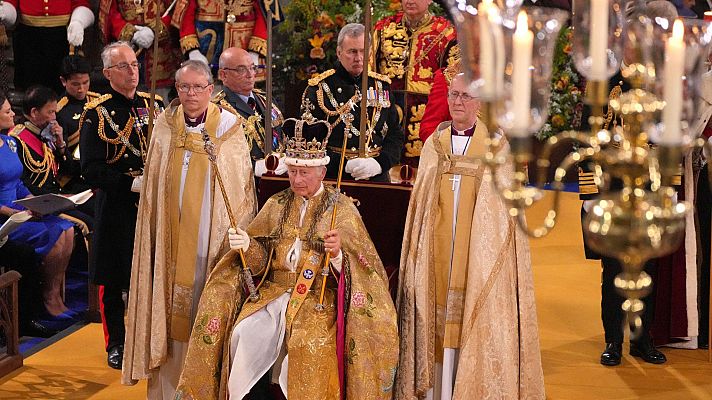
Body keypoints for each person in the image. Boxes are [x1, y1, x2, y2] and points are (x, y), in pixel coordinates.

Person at [175, 117, 398, 400]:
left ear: (322, 171)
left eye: (304, 173)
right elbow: (259, 265)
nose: (296, 180)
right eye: (292, 172)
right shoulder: (276, 204)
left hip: (318, 299)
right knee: (244, 334)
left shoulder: (341, 209)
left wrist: (339, 254)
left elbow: (366, 268)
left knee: (309, 344)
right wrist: (247, 246)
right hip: (272, 295)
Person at [396, 74, 544, 399]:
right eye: (453, 95)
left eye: (465, 96)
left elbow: (503, 213)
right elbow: (420, 205)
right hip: (437, 250)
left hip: (474, 253)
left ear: (479, 103)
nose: (457, 102)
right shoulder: (434, 146)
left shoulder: (496, 148)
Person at [121, 60, 257, 399]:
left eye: (198, 87)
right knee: (167, 314)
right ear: (176, 90)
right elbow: (154, 182)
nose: (191, 94)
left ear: (211, 89)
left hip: (208, 244)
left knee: (202, 311)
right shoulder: (165, 126)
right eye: (184, 88)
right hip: (168, 241)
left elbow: (240, 191)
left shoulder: (229, 129)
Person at [79, 41, 165, 370]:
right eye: (124, 66)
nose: (133, 71)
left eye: (134, 64)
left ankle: (149, 335)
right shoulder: (96, 114)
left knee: (151, 272)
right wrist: (130, 183)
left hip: (154, 204)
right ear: (107, 74)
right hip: (117, 206)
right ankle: (116, 341)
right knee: (114, 279)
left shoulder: (153, 104)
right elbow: (91, 169)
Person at [0, 92, 76, 322]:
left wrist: (34, 202)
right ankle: (44, 300)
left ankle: (54, 295)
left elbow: (19, 183)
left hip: (20, 210)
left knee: (67, 229)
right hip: (5, 218)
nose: (13, 113)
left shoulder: (10, 143)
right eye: (6, 111)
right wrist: (13, 212)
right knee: (52, 235)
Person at [300, 23, 404, 182]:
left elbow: (395, 135)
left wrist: (380, 163)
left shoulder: (381, 86)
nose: (359, 58)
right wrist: (343, 164)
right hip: (335, 177)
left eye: (363, 51)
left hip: (376, 176)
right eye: (352, 52)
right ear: (339, 52)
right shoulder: (319, 89)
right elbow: (307, 143)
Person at [372, 0, 457, 167]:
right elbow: (369, 75)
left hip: (427, 118)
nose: (410, 1)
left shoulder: (447, 33)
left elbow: (453, 81)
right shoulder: (384, 28)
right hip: (387, 115)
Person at [9, 85, 94, 230]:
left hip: (59, 196)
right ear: (34, 112)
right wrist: (58, 199)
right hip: (42, 203)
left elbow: (70, 171)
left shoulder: (47, 134)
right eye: (50, 112)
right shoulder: (16, 140)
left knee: (98, 209)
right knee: (87, 224)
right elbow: (24, 183)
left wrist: (61, 145)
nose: (54, 117)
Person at [98, 0, 199, 96]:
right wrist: (131, 33)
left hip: (162, 56)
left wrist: (154, 31)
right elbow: (109, 12)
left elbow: (177, 9)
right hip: (126, 50)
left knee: (161, 105)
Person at [214, 47, 286, 177]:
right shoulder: (217, 110)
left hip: (278, 180)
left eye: (253, 67)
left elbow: (282, 135)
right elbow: (216, 157)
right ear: (223, 75)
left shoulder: (266, 100)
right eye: (241, 69)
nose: (250, 74)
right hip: (243, 185)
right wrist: (253, 167)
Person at [170, 0, 282, 80]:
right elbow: (185, 17)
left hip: (245, 46)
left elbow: (265, 17)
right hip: (205, 50)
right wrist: (193, 51)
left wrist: (255, 52)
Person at [0, 0, 94, 94]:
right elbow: (11, 2)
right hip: (29, 40)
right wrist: (5, 11)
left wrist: (78, 21)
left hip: (60, 40)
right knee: (30, 86)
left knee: (60, 84)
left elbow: (80, 3)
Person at [56, 55, 101, 196]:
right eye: (76, 84)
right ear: (64, 81)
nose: (82, 89)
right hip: (76, 178)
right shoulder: (59, 111)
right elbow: (63, 156)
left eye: (86, 82)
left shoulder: (98, 100)